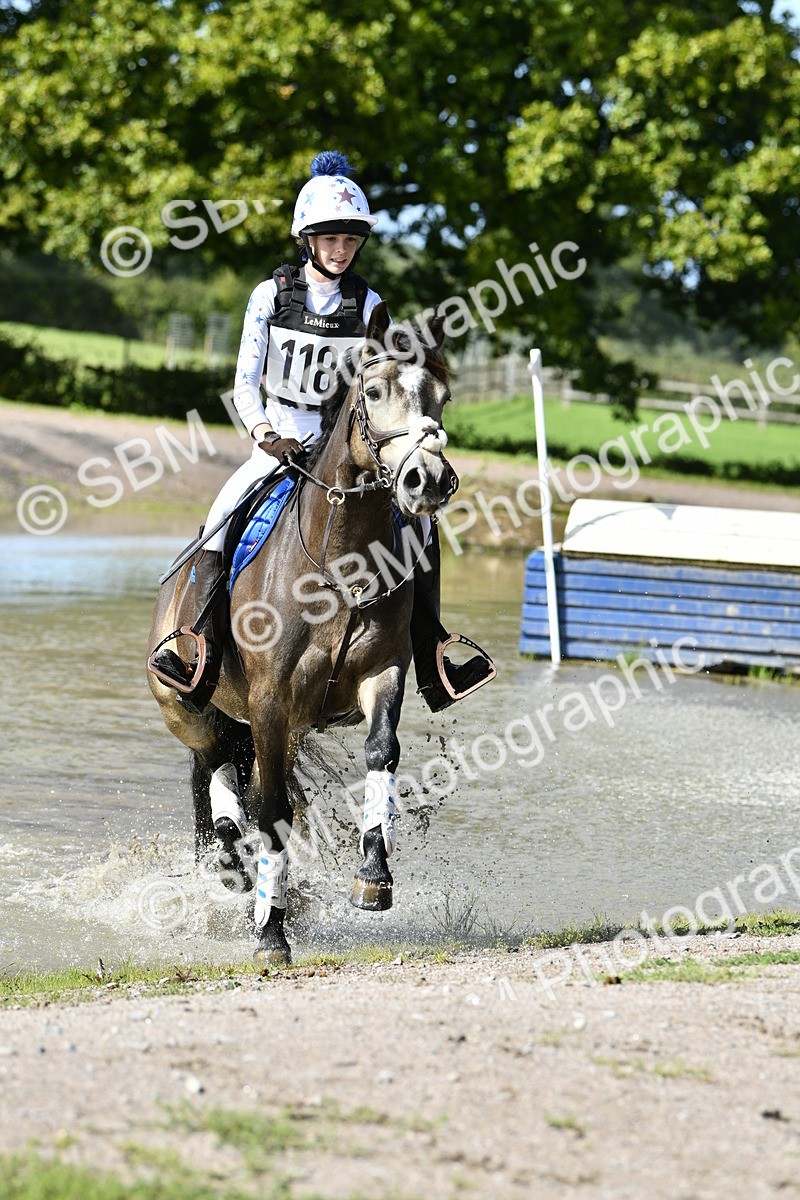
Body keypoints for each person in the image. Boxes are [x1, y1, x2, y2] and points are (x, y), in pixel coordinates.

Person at [149, 151, 493, 714]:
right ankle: (201, 650)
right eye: (330, 238)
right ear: (307, 239)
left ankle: (432, 651)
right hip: (280, 435)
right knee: (219, 519)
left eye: (351, 240)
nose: (341, 249)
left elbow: (387, 383)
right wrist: (265, 434)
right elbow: (244, 385)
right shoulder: (270, 295)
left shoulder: (369, 303)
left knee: (420, 529)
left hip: (347, 444)